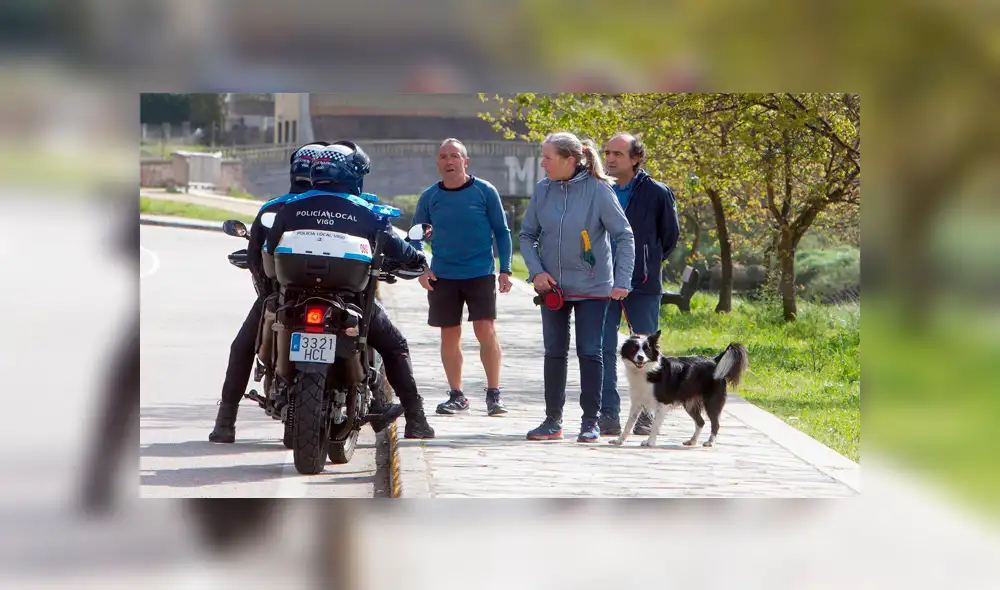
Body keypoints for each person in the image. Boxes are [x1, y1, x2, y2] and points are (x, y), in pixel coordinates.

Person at [265, 142, 436, 439]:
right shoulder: (366, 211)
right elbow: (398, 248)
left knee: (257, 335)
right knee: (395, 345)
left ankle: (230, 414)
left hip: (296, 298)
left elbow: (269, 248)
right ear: (353, 176)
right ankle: (416, 419)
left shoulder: (290, 207)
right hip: (348, 299)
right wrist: (418, 258)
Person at [209, 141, 329, 444]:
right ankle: (405, 410)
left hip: (281, 296)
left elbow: (255, 258)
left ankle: (225, 421)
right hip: (336, 296)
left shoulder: (274, 208)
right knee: (386, 341)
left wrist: (267, 293)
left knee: (242, 348)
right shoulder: (342, 208)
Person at [519, 132, 635, 443]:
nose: (542, 163)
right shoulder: (543, 190)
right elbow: (527, 235)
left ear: (569, 159)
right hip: (552, 289)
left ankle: (590, 422)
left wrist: (622, 281)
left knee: (590, 351)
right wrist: (537, 272)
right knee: (554, 352)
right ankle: (552, 421)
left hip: (592, 286)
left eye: (548, 158)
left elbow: (624, 236)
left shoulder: (599, 190)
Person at [413, 138, 513, 417]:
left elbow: (502, 232)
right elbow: (416, 236)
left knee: (485, 330)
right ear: (437, 163)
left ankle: (494, 394)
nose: (449, 161)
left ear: (465, 162)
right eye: (443, 156)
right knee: (449, 334)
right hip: (443, 276)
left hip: (479, 273)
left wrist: (505, 270)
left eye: (454, 156)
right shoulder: (430, 196)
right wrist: (422, 267)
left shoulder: (484, 191)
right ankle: (457, 395)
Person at [599, 133, 680, 436]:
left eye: (617, 154)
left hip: (643, 283)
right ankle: (607, 414)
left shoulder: (657, 193)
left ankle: (646, 414)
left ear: (636, 159)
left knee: (646, 351)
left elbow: (669, 237)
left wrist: (646, 262)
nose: (610, 158)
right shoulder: (599, 188)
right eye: (607, 153)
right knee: (602, 349)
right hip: (602, 282)